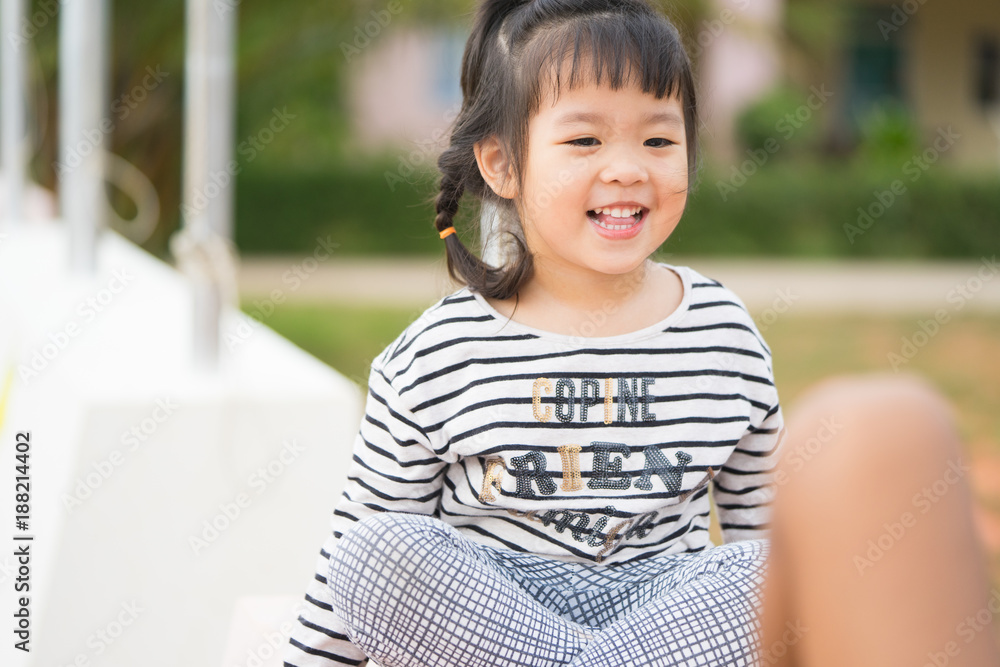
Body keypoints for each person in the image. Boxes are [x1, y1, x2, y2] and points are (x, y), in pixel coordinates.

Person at [283, 1, 999, 666]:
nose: (627, 169)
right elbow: (345, 579)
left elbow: (767, 534)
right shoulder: (436, 352)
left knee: (776, 563)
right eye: (585, 138)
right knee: (375, 553)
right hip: (497, 619)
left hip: (670, 619)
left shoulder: (723, 330)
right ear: (501, 163)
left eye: (659, 138)